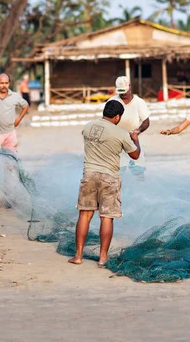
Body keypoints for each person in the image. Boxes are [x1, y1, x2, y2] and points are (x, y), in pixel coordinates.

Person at [68, 100, 141, 267]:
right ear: (117, 116)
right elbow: (135, 155)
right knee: (106, 218)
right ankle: (102, 257)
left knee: (84, 215)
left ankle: (78, 255)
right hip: (109, 178)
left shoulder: (88, 126)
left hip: (89, 174)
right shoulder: (121, 133)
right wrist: (135, 139)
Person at [0, 73, 29, 152]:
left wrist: (18, 120)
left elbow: (26, 106)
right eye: (2, 83)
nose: (4, 86)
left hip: (10, 133)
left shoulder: (15, 96)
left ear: (9, 84)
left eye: (6, 83)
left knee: (11, 158)